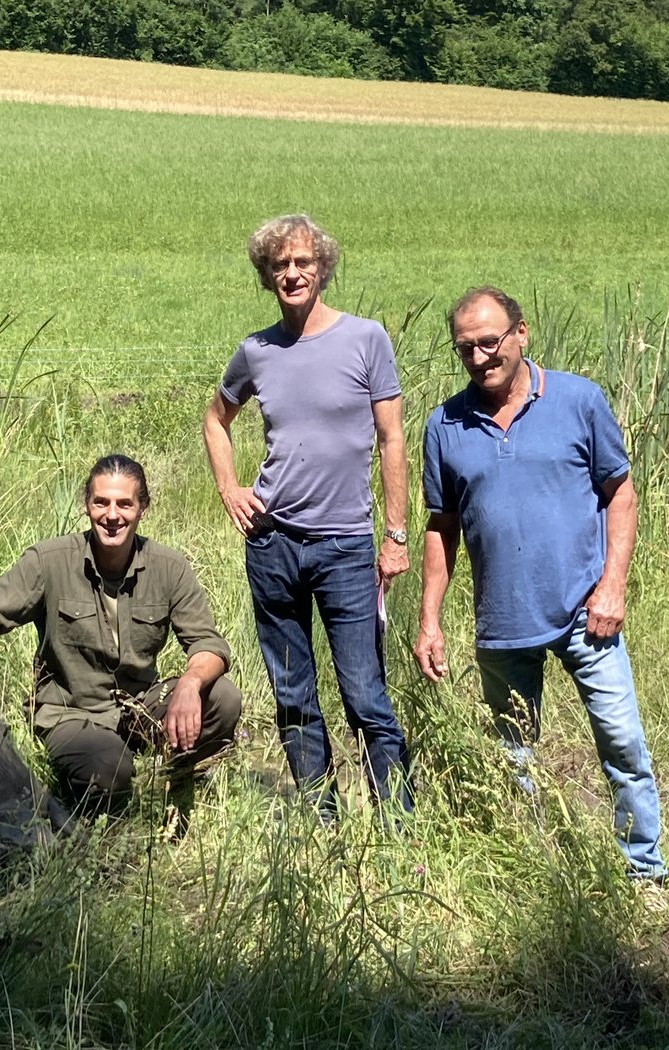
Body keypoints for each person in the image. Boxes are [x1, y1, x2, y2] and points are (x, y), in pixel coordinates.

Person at [413, 286, 667, 882]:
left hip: (587, 613)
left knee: (623, 747)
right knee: (512, 759)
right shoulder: (444, 425)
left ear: (521, 333)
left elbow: (620, 494)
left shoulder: (579, 400)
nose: (479, 357)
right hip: (502, 622)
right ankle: (532, 872)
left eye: (490, 341)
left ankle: (644, 872)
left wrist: (613, 586)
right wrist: (430, 621)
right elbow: (441, 527)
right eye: (465, 348)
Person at [0, 454, 242, 817]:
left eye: (124, 504)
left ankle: (176, 779)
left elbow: (208, 644)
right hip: (71, 713)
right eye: (101, 502)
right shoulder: (48, 561)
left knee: (223, 697)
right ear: (86, 504)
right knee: (109, 769)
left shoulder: (169, 567)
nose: (112, 515)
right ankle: (97, 792)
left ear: (143, 508)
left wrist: (189, 685)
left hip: (138, 706)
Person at [203, 213, 413, 821]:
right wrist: (229, 489)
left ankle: (397, 822)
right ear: (266, 277)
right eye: (279, 266)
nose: (292, 273)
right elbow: (216, 419)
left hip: (345, 545)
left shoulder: (366, 338)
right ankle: (322, 819)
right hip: (272, 543)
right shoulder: (256, 351)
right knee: (293, 692)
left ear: (323, 268)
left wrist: (395, 535)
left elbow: (391, 439)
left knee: (365, 692)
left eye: (302, 262)